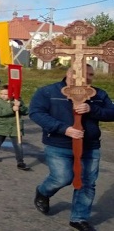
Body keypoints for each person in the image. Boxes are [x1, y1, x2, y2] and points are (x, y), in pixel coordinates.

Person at [30, 65, 114, 231]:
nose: (89, 78)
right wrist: (64, 129)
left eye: (91, 75)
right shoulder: (49, 92)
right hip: (59, 144)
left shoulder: (98, 94)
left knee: (87, 183)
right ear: (70, 73)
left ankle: (79, 218)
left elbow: (112, 113)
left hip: (90, 146)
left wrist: (92, 109)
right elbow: (36, 113)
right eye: (85, 74)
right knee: (62, 177)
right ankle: (43, 192)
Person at [0, 85, 29, 170]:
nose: (3, 95)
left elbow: (26, 112)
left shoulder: (17, 100)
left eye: (5, 94)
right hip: (2, 125)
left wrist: (20, 106)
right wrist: (12, 109)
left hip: (15, 126)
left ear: (12, 94)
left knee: (18, 144)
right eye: (1, 93)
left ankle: (20, 162)